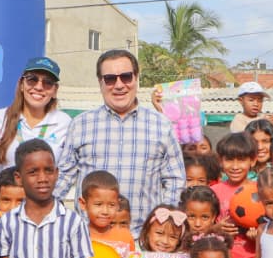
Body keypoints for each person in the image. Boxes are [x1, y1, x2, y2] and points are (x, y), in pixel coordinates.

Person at [57, 49, 185, 232]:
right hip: (90, 238)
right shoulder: (81, 125)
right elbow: (63, 178)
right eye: (110, 79)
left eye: (126, 77)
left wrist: (162, 224)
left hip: (140, 240)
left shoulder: (161, 125)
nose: (119, 85)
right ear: (100, 82)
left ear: (136, 78)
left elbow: (175, 181)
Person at [0, 56, 71, 172]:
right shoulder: (1, 117)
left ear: (55, 90)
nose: (39, 87)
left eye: (48, 82)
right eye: (32, 79)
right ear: (21, 84)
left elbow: (66, 171)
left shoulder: (64, 123)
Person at [210, 133, 258, 258]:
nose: (235, 166)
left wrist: (258, 235)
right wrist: (216, 228)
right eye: (229, 160)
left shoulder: (259, 191)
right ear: (220, 161)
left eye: (241, 160)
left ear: (252, 161)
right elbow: (202, 228)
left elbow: (270, 227)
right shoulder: (214, 191)